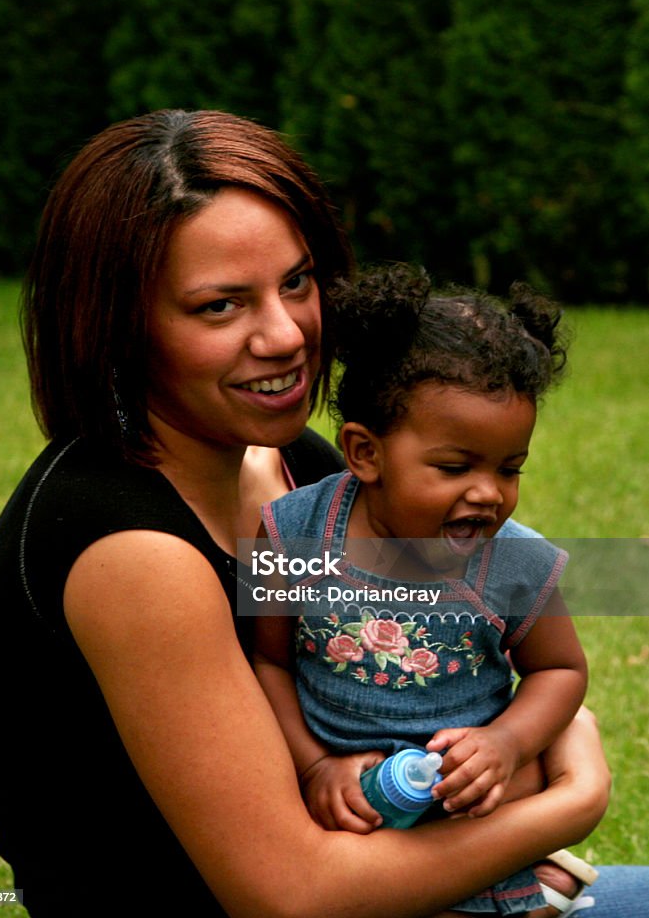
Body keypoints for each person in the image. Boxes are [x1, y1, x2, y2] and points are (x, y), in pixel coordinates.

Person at [0, 108, 641, 918]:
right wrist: (568, 803)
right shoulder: (130, 549)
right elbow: (293, 896)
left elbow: (467, 648)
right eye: (220, 306)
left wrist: (497, 800)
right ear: (118, 326)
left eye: (296, 281)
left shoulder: (296, 468)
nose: (286, 335)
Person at [253, 264, 587, 916]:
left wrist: (508, 743)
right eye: (454, 467)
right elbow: (267, 661)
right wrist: (315, 766)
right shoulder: (293, 535)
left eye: (509, 468)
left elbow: (560, 670)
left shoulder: (515, 563)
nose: (488, 493)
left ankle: (540, 881)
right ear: (364, 453)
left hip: (466, 829)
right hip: (337, 818)